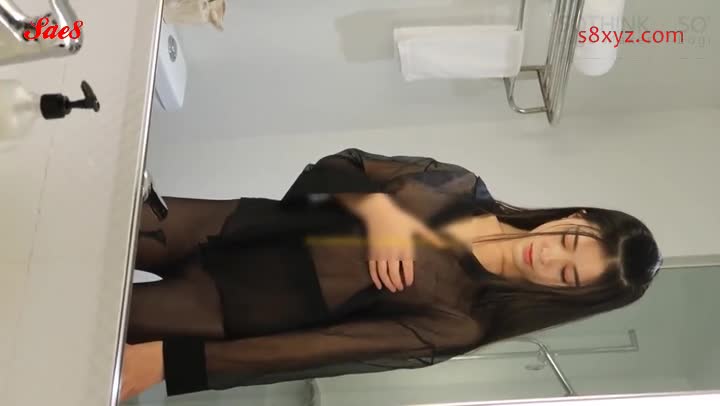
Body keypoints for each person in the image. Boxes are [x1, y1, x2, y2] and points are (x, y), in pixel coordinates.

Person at [120, 148, 662, 402]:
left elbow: (316, 351)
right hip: (234, 225)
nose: (545, 260)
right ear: (576, 216)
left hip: (227, 306)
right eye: (568, 242)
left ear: (566, 297)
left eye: (566, 276)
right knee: (84, 228)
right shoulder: (458, 186)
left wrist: (169, 361)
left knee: (81, 314)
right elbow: (334, 168)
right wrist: (378, 210)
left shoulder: (462, 321)